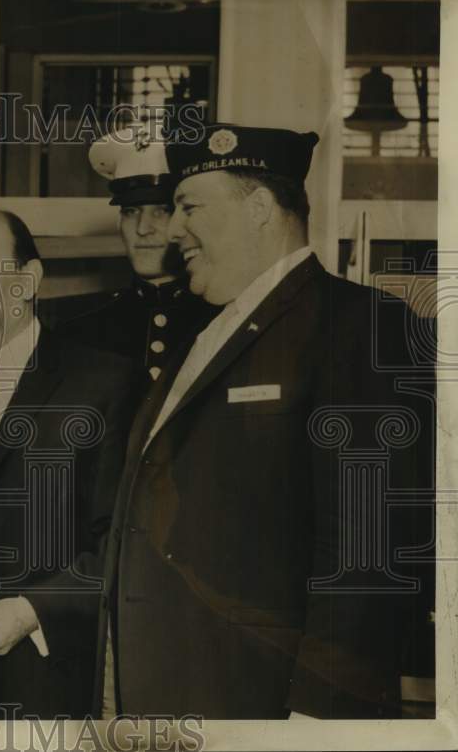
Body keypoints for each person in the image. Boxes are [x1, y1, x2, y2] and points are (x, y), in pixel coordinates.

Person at [93, 123, 434, 719]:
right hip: (178, 697)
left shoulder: (357, 325)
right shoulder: (207, 334)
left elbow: (368, 544)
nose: (172, 230)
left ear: (257, 209)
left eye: (188, 207)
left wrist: (318, 716)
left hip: (272, 709)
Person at [0, 208, 136, 718]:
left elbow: (125, 547)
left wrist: (30, 611)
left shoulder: (104, 384)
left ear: (26, 280)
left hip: (41, 686)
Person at [46, 126, 217, 389]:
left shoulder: (222, 322)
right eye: (131, 211)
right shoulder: (78, 333)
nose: (142, 228)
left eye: (162, 210)